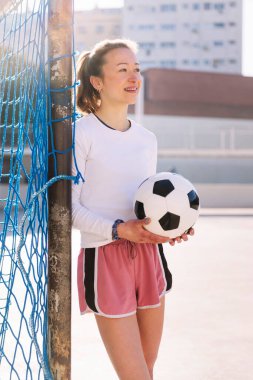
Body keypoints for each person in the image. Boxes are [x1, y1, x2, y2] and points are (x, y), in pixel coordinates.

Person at [72, 39, 194, 380]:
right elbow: (70, 207)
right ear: (97, 81)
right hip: (104, 256)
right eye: (122, 69)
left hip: (148, 255)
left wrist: (171, 228)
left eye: (136, 69)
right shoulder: (81, 134)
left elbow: (149, 202)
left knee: (148, 370)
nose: (133, 77)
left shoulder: (146, 139)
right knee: (136, 376)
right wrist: (119, 229)